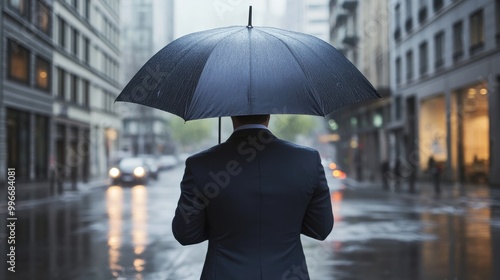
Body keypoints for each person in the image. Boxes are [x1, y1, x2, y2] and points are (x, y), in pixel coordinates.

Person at [172, 114, 334, 280]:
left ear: (231, 115)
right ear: (269, 115)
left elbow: (186, 234)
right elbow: (321, 229)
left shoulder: (200, 164)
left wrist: (216, 221)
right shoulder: (308, 160)